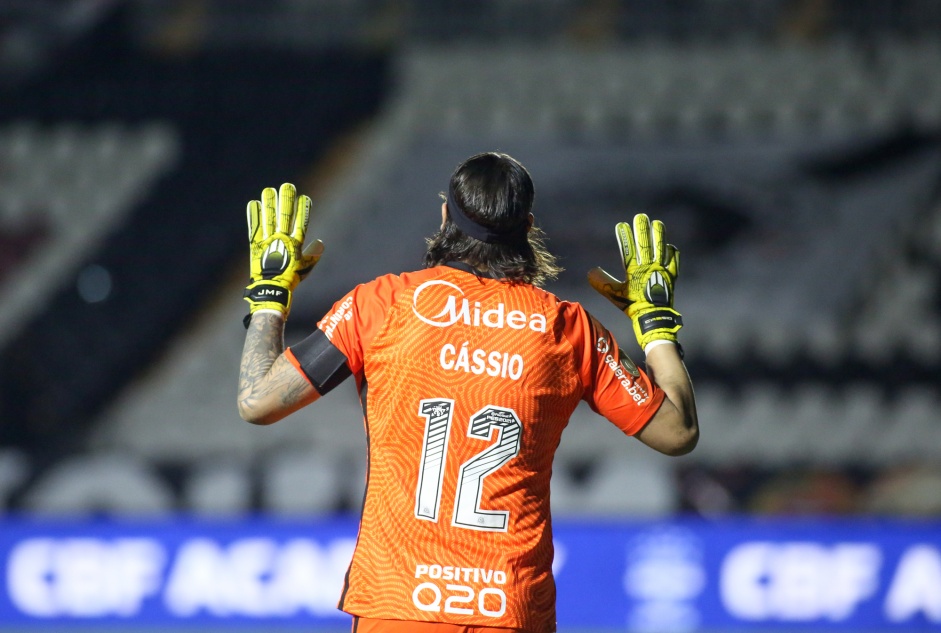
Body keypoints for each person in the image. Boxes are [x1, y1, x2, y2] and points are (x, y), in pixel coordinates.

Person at [237, 152, 698, 633]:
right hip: (510, 607)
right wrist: (656, 325)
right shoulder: (567, 328)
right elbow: (677, 431)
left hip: (399, 604)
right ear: (528, 227)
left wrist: (270, 293)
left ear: (444, 219)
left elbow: (258, 401)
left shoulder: (383, 303)